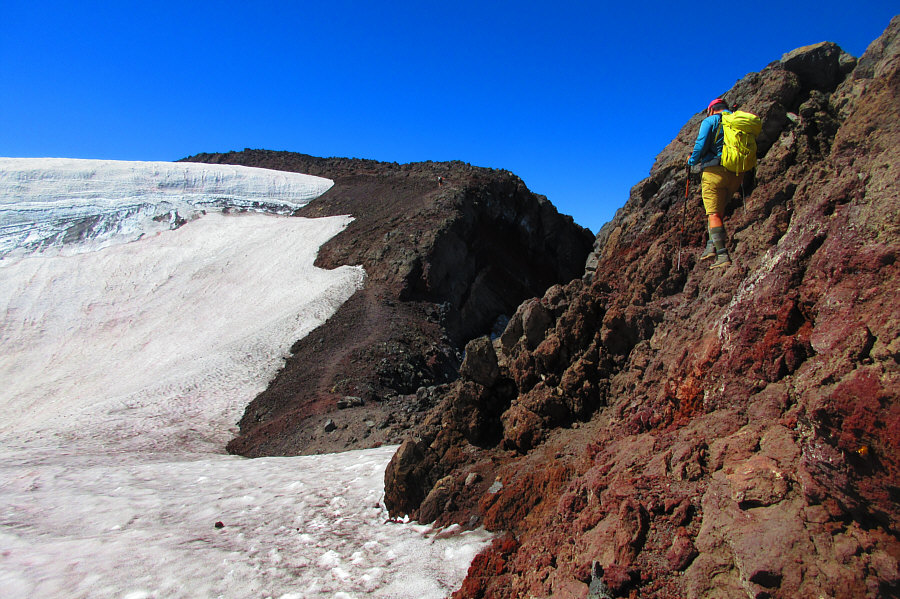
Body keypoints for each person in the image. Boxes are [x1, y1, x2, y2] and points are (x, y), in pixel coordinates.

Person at [688, 98, 743, 269]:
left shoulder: (710, 120)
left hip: (714, 172)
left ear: (711, 110)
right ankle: (710, 245)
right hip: (736, 172)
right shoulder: (737, 120)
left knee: (713, 214)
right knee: (719, 211)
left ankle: (722, 255)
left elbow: (701, 144)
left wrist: (691, 161)